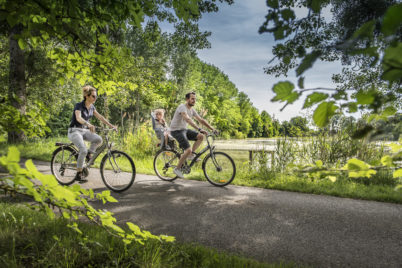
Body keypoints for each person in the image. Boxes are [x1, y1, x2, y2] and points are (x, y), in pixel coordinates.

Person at [68, 85, 117, 183]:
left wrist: (111, 126)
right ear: (87, 96)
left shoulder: (92, 107)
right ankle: (79, 174)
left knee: (98, 139)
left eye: (96, 96)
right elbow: (78, 118)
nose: (95, 98)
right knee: (83, 149)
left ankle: (88, 155)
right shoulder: (79, 105)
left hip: (84, 131)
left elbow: (100, 117)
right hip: (74, 131)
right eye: (93, 96)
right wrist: (88, 124)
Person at [169, 91, 216, 178]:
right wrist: (199, 129)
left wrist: (212, 128)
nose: (194, 100)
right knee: (188, 150)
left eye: (195, 99)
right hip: (176, 131)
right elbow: (187, 119)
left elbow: (201, 120)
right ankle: (177, 169)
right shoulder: (182, 107)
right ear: (187, 99)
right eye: (192, 99)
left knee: (200, 136)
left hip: (184, 130)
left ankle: (190, 155)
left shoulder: (192, 110)